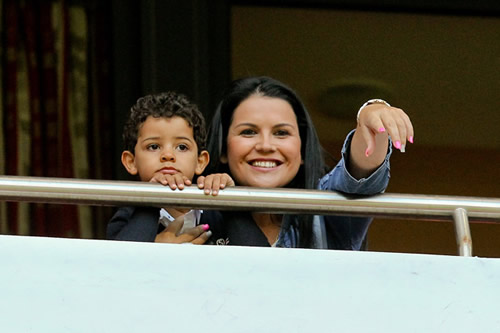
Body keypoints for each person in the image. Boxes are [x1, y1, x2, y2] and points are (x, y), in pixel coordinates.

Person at [199, 76, 414, 249]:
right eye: (248, 132)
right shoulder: (196, 206)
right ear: (224, 147)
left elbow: (360, 173)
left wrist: (372, 113)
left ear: (302, 150)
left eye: (281, 133)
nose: (265, 145)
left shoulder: (323, 204)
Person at [107, 92, 233, 244]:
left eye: (181, 147)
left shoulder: (218, 211)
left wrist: (231, 199)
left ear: (200, 161)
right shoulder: (126, 218)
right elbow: (121, 261)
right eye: (153, 146)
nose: (168, 155)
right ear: (131, 162)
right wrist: (151, 200)